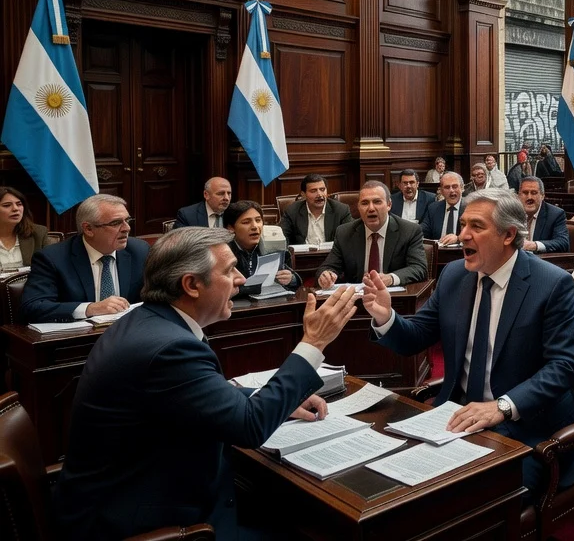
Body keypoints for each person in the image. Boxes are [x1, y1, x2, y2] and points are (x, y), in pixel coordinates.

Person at [54, 227, 359, 540]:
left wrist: (271, 399)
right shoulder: (169, 347)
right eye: (229, 270)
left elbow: (190, 394)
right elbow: (249, 426)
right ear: (191, 284)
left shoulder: (148, 321)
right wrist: (314, 342)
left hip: (139, 494)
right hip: (150, 523)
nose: (241, 279)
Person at [365, 188, 574, 498]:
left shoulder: (551, 284)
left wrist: (503, 407)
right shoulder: (455, 275)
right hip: (455, 417)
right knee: (390, 479)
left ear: (509, 235)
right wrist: (386, 316)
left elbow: (564, 367)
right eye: (463, 224)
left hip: (528, 429)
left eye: (476, 227)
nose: (463, 235)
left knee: (471, 496)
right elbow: (416, 336)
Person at [22, 194, 149, 323]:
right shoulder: (53, 258)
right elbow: (33, 307)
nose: (127, 228)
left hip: (129, 333)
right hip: (80, 338)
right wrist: (90, 308)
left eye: (127, 220)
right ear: (88, 229)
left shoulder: (139, 251)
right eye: (116, 223)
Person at [316, 182, 427, 288]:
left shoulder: (409, 231)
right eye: (364, 203)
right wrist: (326, 275)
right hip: (357, 299)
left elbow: (419, 268)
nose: (371, 208)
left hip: (394, 298)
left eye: (377, 202)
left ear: (389, 205)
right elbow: (328, 267)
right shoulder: (345, 232)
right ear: (358, 207)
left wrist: (391, 278)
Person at [224, 199, 299, 289]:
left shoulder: (271, 247)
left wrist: (291, 279)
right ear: (231, 228)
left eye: (258, 220)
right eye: (246, 222)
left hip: (271, 300)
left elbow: (295, 279)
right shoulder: (224, 253)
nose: (255, 226)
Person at [278, 174, 353, 246]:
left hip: (332, 256)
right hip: (302, 257)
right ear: (303, 194)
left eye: (322, 189)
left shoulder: (341, 210)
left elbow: (350, 238)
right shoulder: (292, 211)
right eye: (313, 191)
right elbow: (282, 238)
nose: (319, 194)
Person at [0, 185, 49, 270]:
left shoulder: (38, 233)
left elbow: (50, 268)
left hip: (31, 283)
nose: (15, 209)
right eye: (7, 205)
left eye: (19, 204)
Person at [518, 176, 569, 253]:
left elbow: (563, 243)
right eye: (525, 193)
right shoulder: (511, 212)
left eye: (534, 193)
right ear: (519, 195)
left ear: (542, 196)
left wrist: (534, 245)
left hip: (540, 261)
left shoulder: (555, 214)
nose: (529, 197)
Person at [421, 171, 466, 246]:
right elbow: (422, 231)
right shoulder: (433, 208)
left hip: (462, 253)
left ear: (462, 188)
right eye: (447, 187)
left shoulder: (470, 207)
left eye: (455, 186)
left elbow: (476, 233)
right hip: (439, 253)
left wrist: (458, 238)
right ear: (441, 191)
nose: (451, 190)